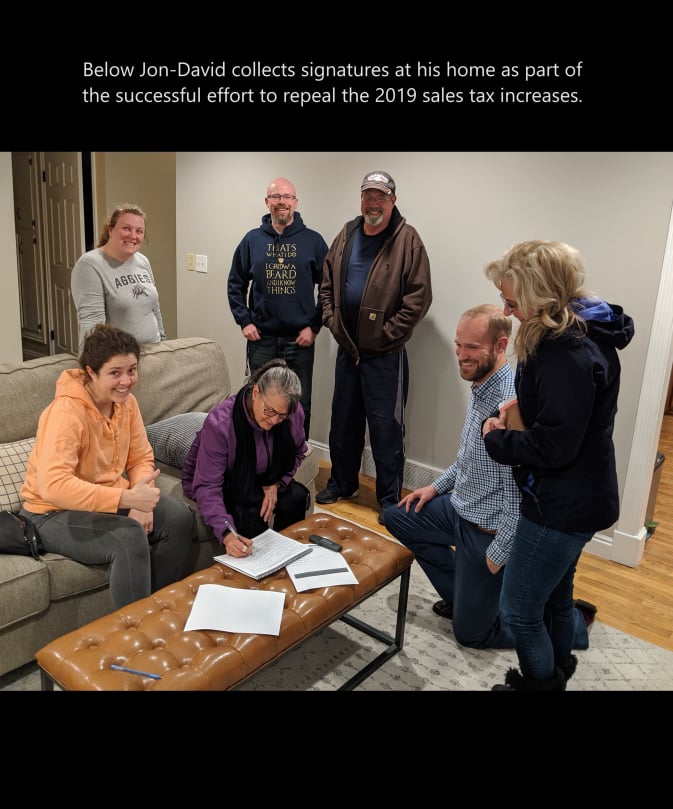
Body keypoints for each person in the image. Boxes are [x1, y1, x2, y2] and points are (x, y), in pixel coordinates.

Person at [383, 304, 595, 650]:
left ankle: (565, 623)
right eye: (458, 345)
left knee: (471, 635)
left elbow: (521, 491)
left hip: (487, 530)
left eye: (472, 347)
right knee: (397, 517)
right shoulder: (480, 387)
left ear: (500, 346)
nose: (461, 355)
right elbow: (468, 460)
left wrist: (498, 553)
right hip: (459, 510)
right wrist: (434, 487)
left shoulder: (511, 404)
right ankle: (464, 597)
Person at [482, 240, 635, 691]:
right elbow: (567, 419)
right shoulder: (585, 333)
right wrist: (524, 406)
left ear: (538, 294)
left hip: (560, 505)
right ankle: (558, 668)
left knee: (518, 610)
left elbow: (554, 447)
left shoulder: (564, 352)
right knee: (555, 598)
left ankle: (541, 684)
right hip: (584, 495)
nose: (507, 311)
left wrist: (496, 439)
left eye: (512, 302)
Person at [18, 324, 193, 610]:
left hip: (104, 501)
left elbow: (140, 458)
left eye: (132, 370)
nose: (126, 381)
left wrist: (142, 494)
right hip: (50, 512)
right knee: (128, 536)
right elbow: (54, 486)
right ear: (91, 372)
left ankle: (158, 612)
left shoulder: (127, 404)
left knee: (178, 516)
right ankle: (135, 628)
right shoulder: (66, 413)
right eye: (115, 373)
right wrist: (127, 499)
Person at [317, 170, 432, 524]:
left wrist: (386, 334)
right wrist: (331, 319)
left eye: (380, 197)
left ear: (392, 200)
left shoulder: (407, 240)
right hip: (348, 350)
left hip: (385, 356)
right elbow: (327, 282)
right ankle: (343, 483)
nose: (373, 203)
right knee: (343, 423)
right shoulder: (347, 233)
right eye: (368, 196)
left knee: (386, 429)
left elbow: (418, 298)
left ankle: (388, 499)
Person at [227, 178, 328, 440]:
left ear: (295, 202)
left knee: (299, 405)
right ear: (267, 202)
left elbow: (329, 288)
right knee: (259, 403)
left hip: (300, 341)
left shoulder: (313, 241)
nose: (281, 202)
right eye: (275, 197)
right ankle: (258, 454)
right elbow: (235, 283)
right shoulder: (252, 240)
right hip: (262, 340)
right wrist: (244, 321)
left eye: (287, 197)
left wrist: (314, 326)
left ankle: (296, 455)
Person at [182, 359, 309, 557]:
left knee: (296, 497)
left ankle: (287, 559)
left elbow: (299, 452)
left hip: (263, 477)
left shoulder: (292, 413)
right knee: (250, 518)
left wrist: (276, 484)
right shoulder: (220, 425)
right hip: (230, 483)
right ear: (256, 392)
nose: (274, 420)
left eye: (282, 416)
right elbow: (207, 485)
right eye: (270, 411)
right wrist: (226, 534)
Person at [71, 203, 166, 353]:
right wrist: (92, 362)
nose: (133, 236)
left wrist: (163, 342)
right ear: (110, 230)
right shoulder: (90, 265)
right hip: (121, 356)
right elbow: (91, 325)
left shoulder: (142, 261)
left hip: (154, 349)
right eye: (126, 228)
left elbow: (154, 307)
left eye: (139, 231)